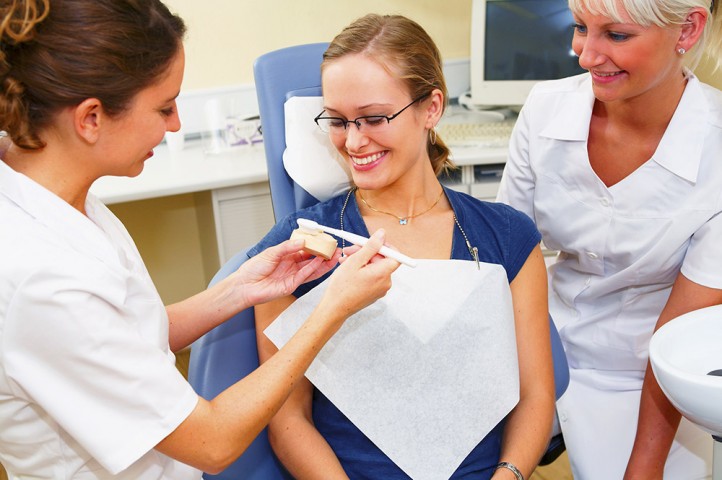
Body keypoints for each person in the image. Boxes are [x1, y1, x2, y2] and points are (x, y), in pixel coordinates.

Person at [0, 1, 401, 478]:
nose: (175, 125)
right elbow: (213, 442)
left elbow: (119, 338)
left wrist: (241, 289)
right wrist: (330, 308)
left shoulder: (55, 193)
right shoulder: (40, 277)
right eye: (164, 107)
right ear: (90, 118)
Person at [250, 13, 555, 480]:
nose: (353, 141)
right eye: (337, 121)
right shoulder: (301, 249)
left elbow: (535, 395)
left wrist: (508, 475)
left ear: (430, 108)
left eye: (373, 118)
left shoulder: (506, 237)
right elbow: (288, 419)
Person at [496, 0, 722, 478]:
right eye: (581, 27)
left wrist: (644, 466)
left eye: (616, 36)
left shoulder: (716, 151)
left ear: (687, 29)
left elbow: (679, 334)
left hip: (653, 372)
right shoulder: (545, 110)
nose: (585, 55)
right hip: (543, 339)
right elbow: (510, 259)